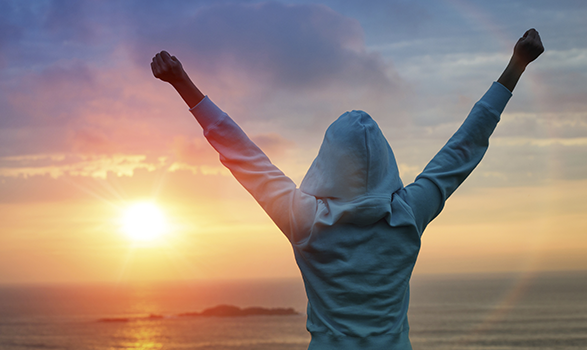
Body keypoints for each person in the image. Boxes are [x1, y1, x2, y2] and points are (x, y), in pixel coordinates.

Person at [151, 29, 544, 350]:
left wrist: (182, 83)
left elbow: (244, 156)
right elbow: (464, 148)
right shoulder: (408, 212)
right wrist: (517, 66)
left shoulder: (304, 219)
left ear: (326, 161)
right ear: (386, 158)